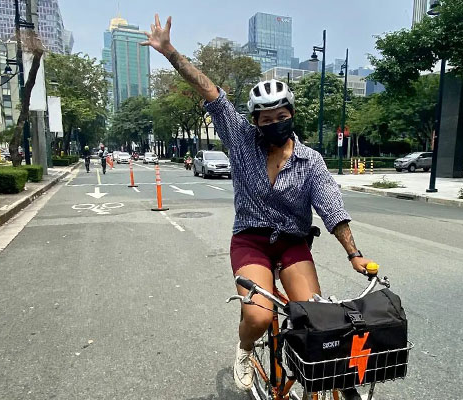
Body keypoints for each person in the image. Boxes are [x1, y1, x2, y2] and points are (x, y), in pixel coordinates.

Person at [142, 14, 376, 393]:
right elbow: (211, 93)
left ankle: (316, 374)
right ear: (255, 121)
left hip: (292, 242)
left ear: (292, 116)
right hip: (250, 240)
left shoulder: (311, 160)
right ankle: (246, 348)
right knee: (257, 313)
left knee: (315, 317)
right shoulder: (241, 140)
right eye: (266, 119)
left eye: (281, 117)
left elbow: (332, 208)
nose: (274, 124)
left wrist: (355, 254)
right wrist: (169, 52)